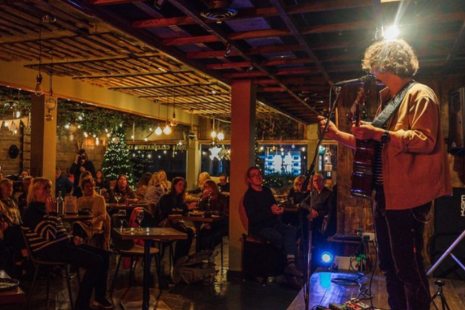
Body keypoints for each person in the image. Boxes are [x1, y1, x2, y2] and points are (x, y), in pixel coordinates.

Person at [318, 39, 452, 310]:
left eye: (373, 65)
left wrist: (379, 132)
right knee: (390, 266)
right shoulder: (389, 99)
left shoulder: (420, 95)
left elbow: (425, 140)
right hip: (385, 194)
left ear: (385, 64)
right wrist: (337, 135)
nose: (370, 69)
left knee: (408, 267)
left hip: (407, 196)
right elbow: (375, 144)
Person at [22, 178, 112, 310]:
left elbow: (58, 232)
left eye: (49, 187)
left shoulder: (45, 207)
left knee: (104, 255)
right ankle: (81, 305)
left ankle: (99, 298)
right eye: (45, 188)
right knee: (96, 261)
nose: (48, 191)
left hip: (62, 245)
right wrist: (53, 212)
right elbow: (49, 235)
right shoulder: (31, 211)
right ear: (35, 191)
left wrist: (71, 238)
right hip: (48, 250)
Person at [243, 166, 303, 279]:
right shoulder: (249, 196)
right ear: (249, 180)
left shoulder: (266, 190)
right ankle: (286, 266)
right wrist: (271, 212)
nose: (258, 176)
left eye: (259, 173)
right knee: (278, 237)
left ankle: (290, 265)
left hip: (274, 223)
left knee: (291, 230)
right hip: (260, 228)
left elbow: (273, 206)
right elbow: (253, 219)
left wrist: (278, 210)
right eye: (254, 175)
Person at [157, 177, 195, 262]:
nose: (182, 187)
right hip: (163, 224)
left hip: (175, 223)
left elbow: (183, 212)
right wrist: (177, 214)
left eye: (183, 185)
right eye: (180, 184)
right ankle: (178, 259)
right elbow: (167, 213)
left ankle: (183, 258)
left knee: (190, 232)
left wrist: (188, 208)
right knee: (184, 231)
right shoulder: (166, 197)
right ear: (174, 185)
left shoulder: (180, 198)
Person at [73, 178, 110, 250]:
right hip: (82, 223)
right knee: (77, 225)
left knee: (77, 226)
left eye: (92, 186)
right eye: (87, 186)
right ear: (83, 188)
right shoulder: (79, 200)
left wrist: (91, 221)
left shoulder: (100, 199)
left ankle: (79, 250)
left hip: (94, 227)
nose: (90, 188)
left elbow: (103, 215)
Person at [0, 178, 25, 277]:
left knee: (20, 230)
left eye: (11, 185)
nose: (10, 188)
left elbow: (18, 217)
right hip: (5, 230)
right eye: (7, 185)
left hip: (15, 229)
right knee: (17, 231)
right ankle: (22, 258)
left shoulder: (13, 202)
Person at [198, 180, 229, 251]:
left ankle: (210, 253)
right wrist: (203, 199)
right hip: (209, 222)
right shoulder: (205, 198)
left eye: (209, 187)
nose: (207, 189)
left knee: (212, 235)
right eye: (205, 187)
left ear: (213, 187)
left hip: (220, 223)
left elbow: (225, 213)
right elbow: (200, 211)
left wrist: (212, 221)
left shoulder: (223, 197)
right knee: (201, 233)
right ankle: (201, 254)